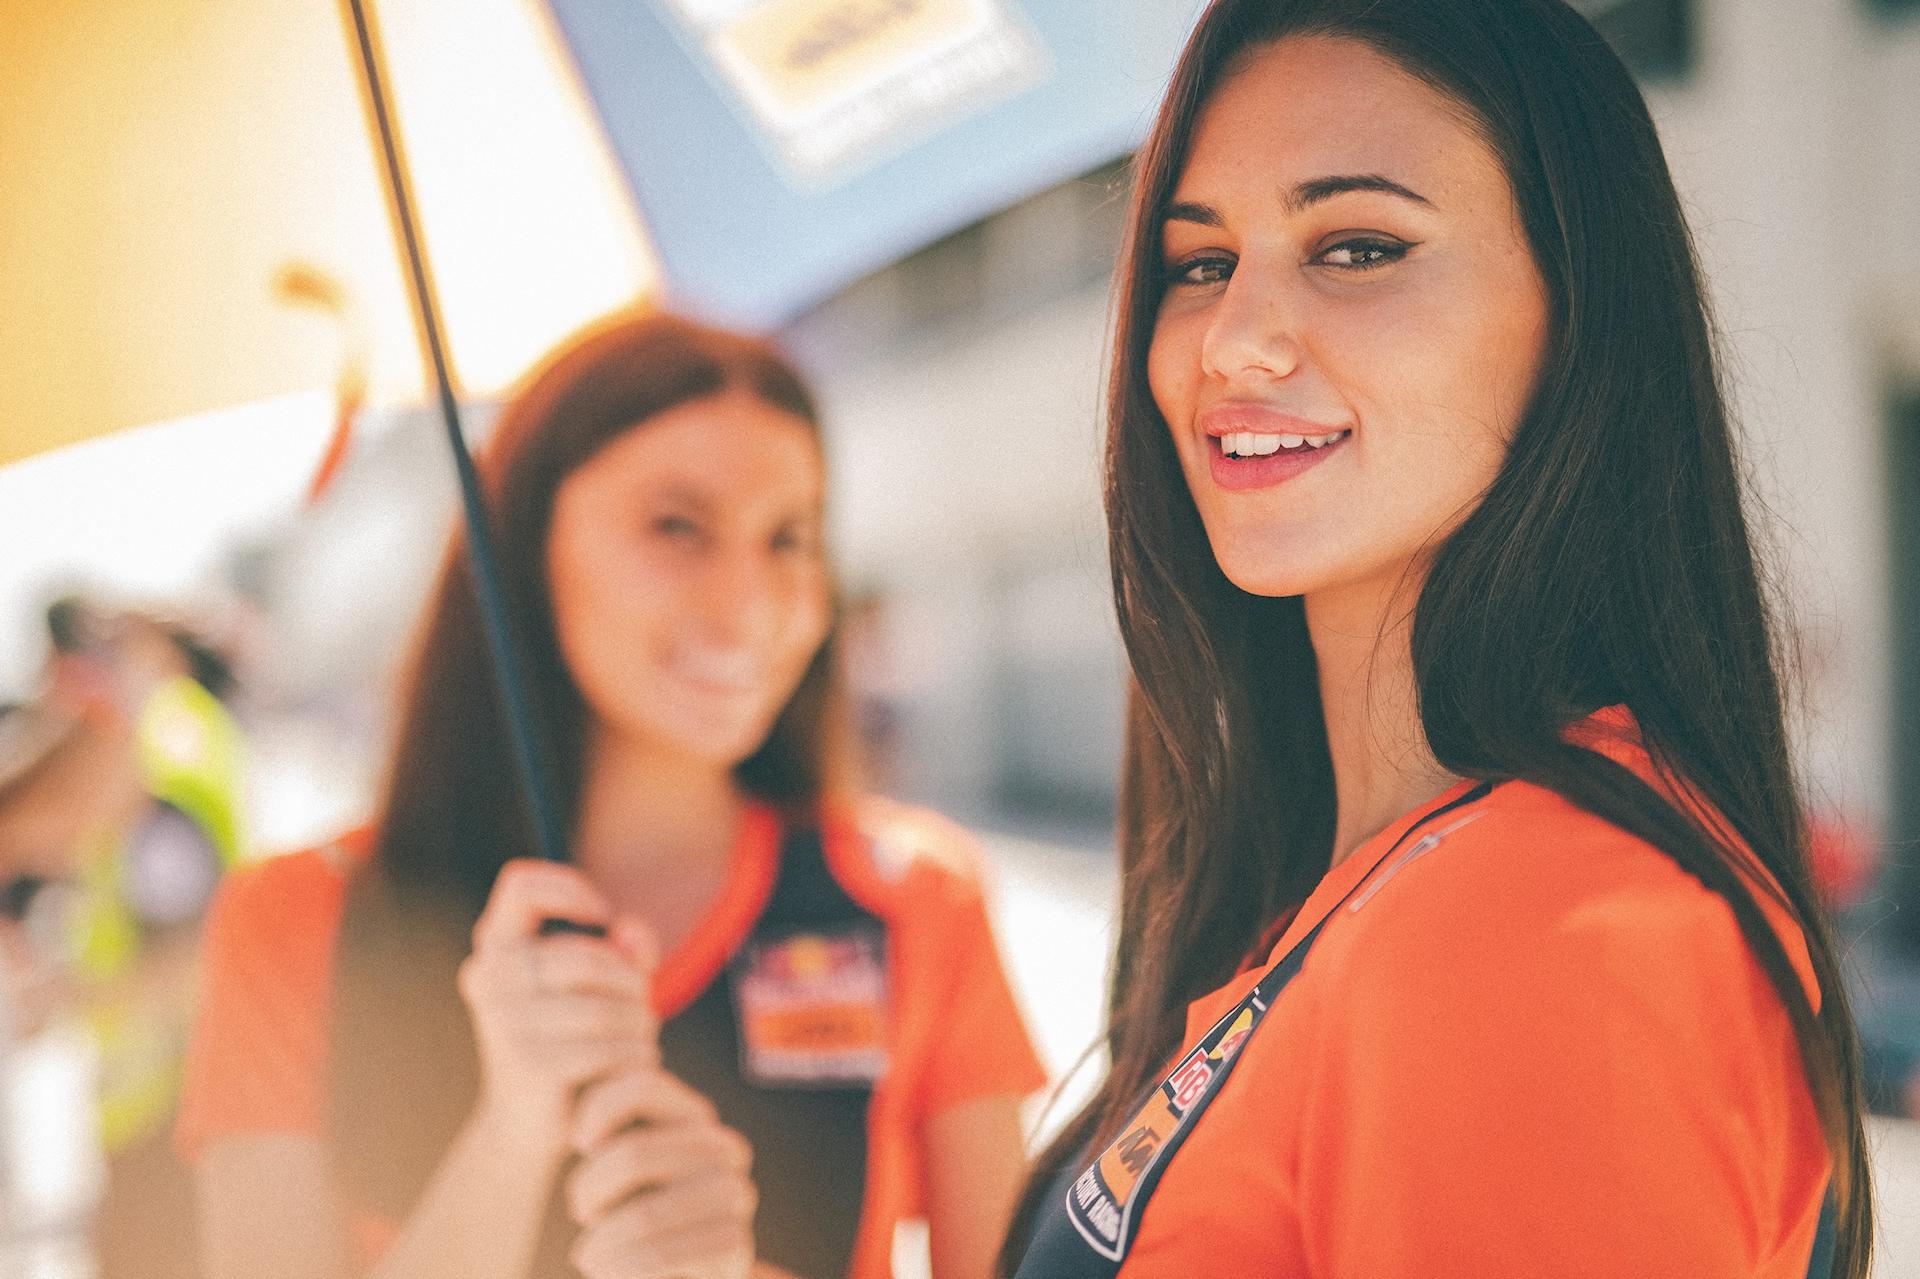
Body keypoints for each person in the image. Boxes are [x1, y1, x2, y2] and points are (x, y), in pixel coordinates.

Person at [1000, 2, 1873, 1277]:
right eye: (1200, 262)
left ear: (1578, 309)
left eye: (1357, 247)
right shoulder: (1340, 874)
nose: (1233, 341)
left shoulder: (1549, 931)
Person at [178, 312, 1046, 1279]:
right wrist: (510, 1135)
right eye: (678, 526)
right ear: (523, 546)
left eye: (789, 538)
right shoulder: (296, 920)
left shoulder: (917, 896)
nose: (748, 605)